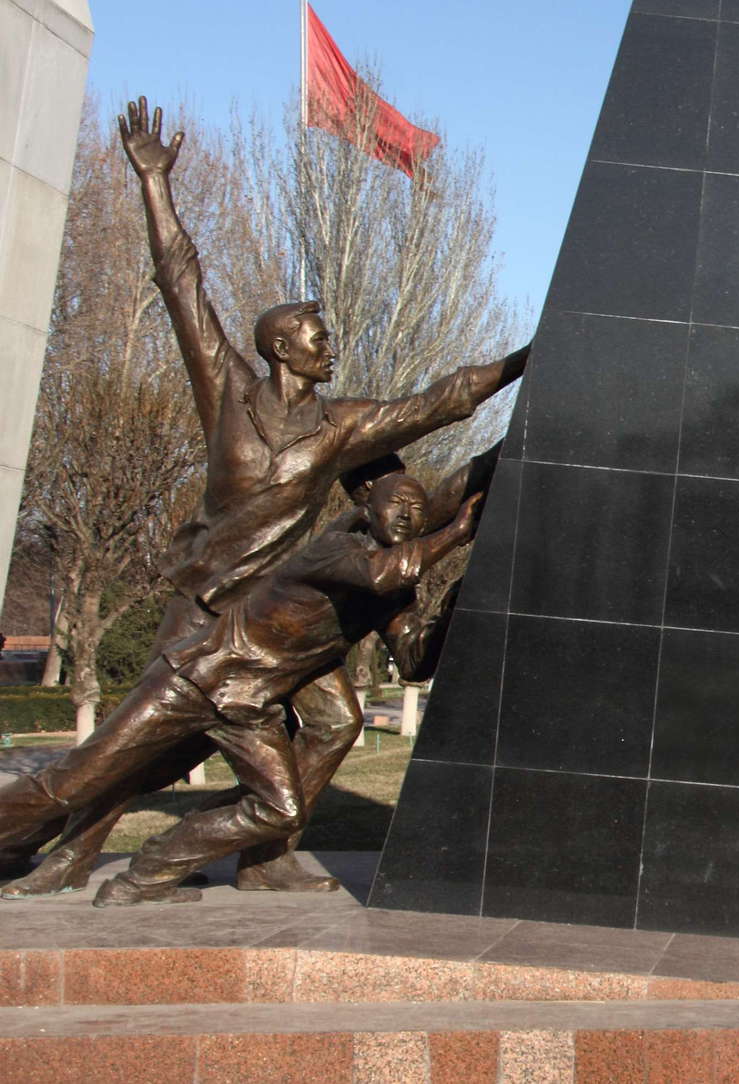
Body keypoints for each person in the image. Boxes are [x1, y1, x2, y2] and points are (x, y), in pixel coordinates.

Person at [0, 98, 529, 897]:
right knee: (123, 758)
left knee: (338, 721)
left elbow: (444, 398)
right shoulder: (228, 394)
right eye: (318, 336)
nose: (330, 344)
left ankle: (265, 858)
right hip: (207, 609)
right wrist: (153, 184)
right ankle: (46, 841)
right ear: (282, 346)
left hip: (276, 611)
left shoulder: (341, 425)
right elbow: (181, 281)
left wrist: (530, 356)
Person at [0, 476, 481, 906]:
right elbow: (383, 572)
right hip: (194, 681)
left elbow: (415, 662)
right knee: (73, 781)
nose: (407, 516)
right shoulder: (336, 550)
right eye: (396, 503)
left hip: (249, 705)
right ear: (368, 512)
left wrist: (456, 604)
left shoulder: (395, 593)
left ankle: (149, 871)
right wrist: (460, 528)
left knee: (281, 809)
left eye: (417, 511)